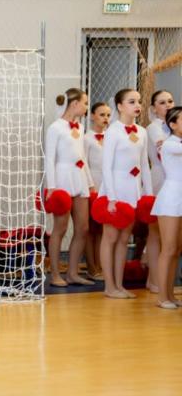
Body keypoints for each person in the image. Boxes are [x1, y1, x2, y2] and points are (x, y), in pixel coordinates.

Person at [98, 89, 153, 299]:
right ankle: (109, 286)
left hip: (133, 190)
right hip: (115, 189)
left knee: (123, 239)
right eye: (131, 102)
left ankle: (119, 285)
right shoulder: (113, 131)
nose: (137, 105)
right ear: (120, 106)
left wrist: (148, 195)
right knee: (110, 237)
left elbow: (145, 166)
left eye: (138, 101)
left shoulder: (142, 131)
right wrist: (111, 198)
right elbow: (106, 167)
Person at [44, 88, 94, 287]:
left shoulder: (80, 127)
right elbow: (49, 159)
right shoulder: (55, 127)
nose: (86, 107)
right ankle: (55, 274)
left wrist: (90, 183)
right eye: (85, 103)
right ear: (74, 104)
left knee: (83, 228)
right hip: (62, 178)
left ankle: (73, 273)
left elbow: (82, 157)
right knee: (60, 228)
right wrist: (52, 187)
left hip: (79, 177)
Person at [144, 90, 175, 293]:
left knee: (170, 236)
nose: (168, 105)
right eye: (162, 102)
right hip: (161, 177)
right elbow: (164, 151)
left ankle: (161, 281)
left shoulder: (175, 126)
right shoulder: (153, 128)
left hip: (175, 178)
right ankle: (154, 280)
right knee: (156, 232)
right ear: (154, 108)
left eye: (170, 101)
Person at [152, 105, 182, 309]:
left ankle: (170, 294)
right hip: (171, 198)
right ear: (172, 125)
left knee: (176, 249)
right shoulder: (170, 144)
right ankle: (162, 297)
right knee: (168, 248)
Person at [83, 101, 111, 280]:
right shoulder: (87, 138)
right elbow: (84, 163)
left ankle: (100, 265)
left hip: (107, 186)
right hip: (92, 185)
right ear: (93, 116)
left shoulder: (111, 136)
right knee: (90, 229)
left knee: (102, 228)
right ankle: (91, 267)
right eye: (102, 115)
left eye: (108, 115)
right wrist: (90, 186)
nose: (105, 118)